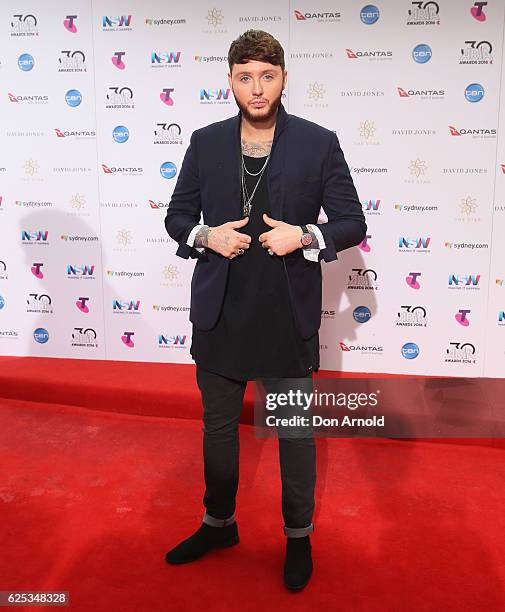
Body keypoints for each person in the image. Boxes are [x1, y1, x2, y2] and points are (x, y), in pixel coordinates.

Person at [163, 29, 366, 590]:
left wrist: (304, 235)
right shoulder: (204, 142)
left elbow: (353, 222)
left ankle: (298, 536)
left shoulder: (318, 142)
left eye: (267, 75)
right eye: (245, 76)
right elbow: (177, 217)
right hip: (221, 313)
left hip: (286, 316)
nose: (257, 88)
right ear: (230, 80)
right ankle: (218, 523)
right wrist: (206, 238)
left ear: (283, 77)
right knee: (218, 430)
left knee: (295, 434)